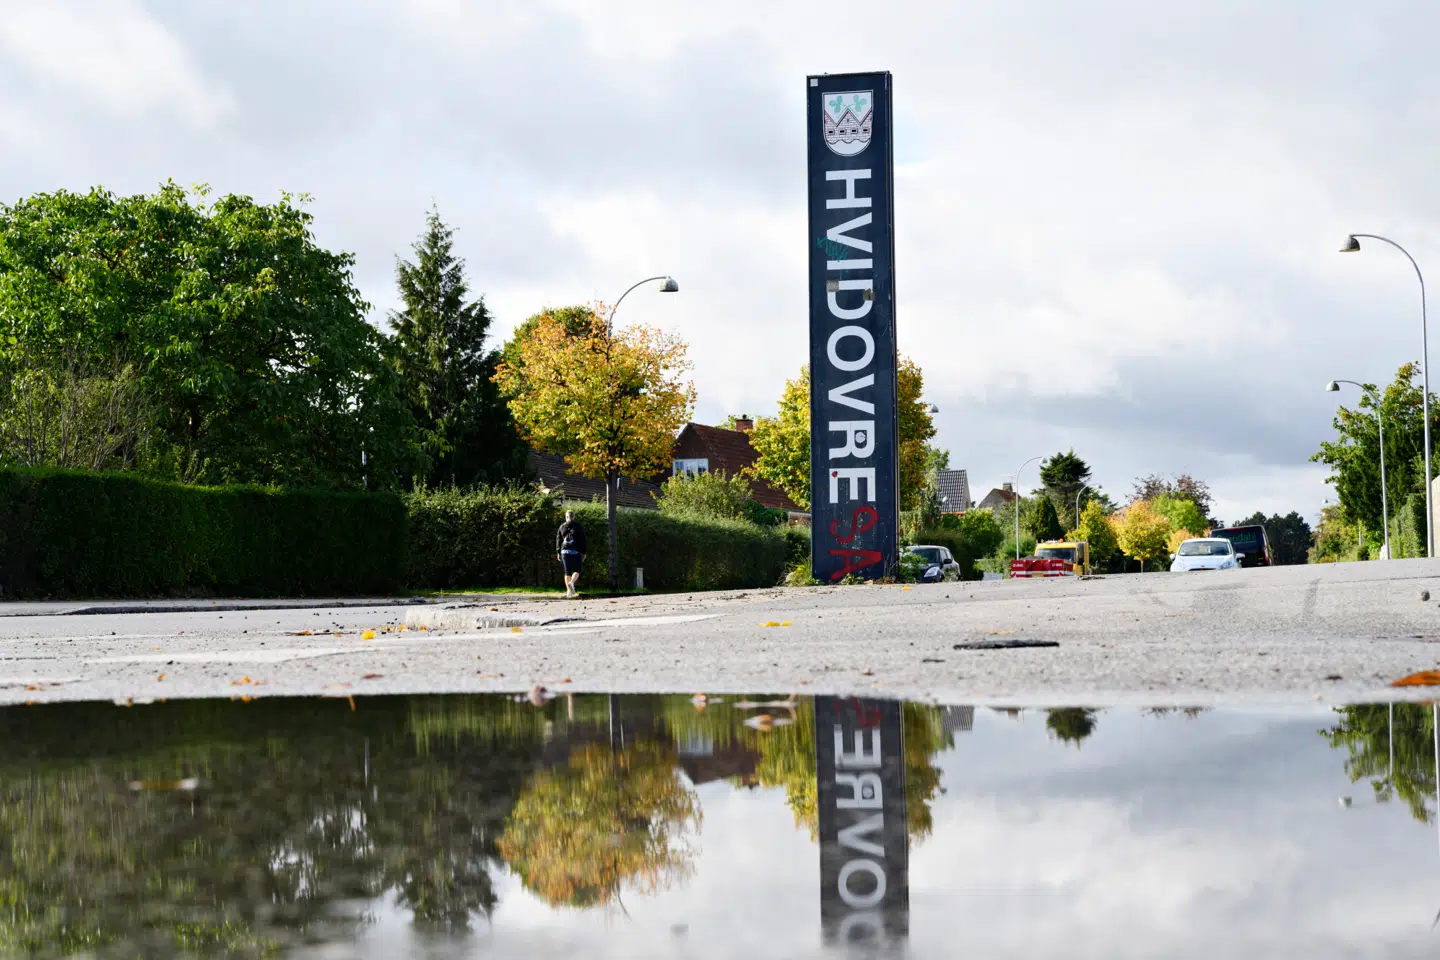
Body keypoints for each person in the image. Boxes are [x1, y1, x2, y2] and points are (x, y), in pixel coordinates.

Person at [556, 510, 588, 597]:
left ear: (566, 517)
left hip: (564, 552)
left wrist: (558, 552)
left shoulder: (562, 526)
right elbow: (582, 540)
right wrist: (584, 552)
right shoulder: (578, 526)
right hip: (575, 552)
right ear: (573, 517)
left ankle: (569, 592)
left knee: (567, 572)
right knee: (577, 570)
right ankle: (572, 583)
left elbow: (558, 539)